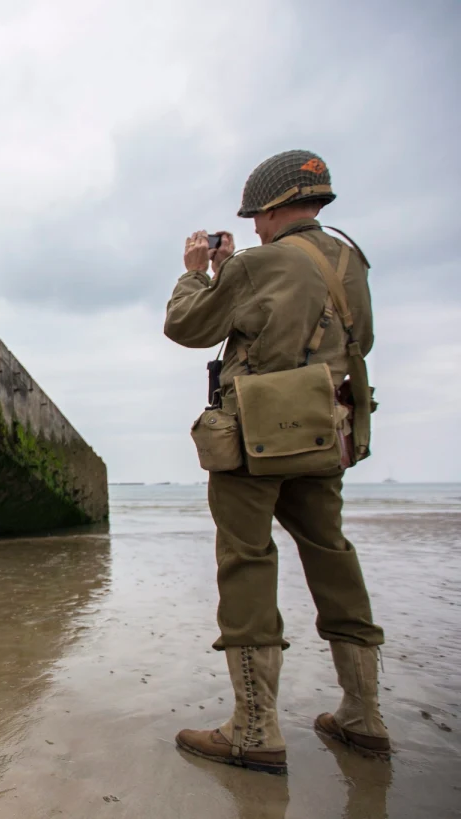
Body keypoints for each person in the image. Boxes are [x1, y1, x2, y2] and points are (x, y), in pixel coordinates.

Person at [163, 149, 390, 776]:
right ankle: (363, 716)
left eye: (257, 217)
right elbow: (358, 340)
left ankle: (255, 730)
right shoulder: (350, 260)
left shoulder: (261, 261)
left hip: (253, 434)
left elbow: (188, 325)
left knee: (246, 561)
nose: (256, 228)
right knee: (331, 554)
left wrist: (196, 272)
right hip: (323, 430)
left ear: (272, 206)